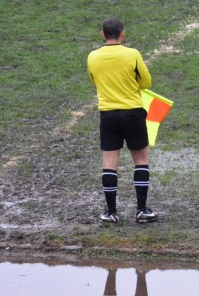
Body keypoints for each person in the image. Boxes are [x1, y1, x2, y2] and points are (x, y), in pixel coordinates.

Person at [87, 18, 158, 224]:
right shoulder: (132, 54)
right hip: (133, 112)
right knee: (141, 160)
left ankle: (110, 213)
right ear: (122, 34)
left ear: (102, 34)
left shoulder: (92, 56)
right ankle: (142, 210)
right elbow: (146, 82)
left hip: (108, 114)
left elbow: (93, 79)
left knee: (110, 163)